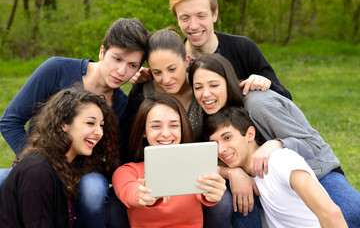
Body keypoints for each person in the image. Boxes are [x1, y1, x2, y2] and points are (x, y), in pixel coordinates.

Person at [0, 18, 151, 227]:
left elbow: (119, 159)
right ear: (102, 52)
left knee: (94, 190)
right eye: (116, 59)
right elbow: (10, 121)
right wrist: (40, 164)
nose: (122, 71)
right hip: (39, 167)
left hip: (84, 177)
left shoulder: (122, 106)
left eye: (132, 65)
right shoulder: (56, 70)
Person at [188, 53, 360, 227]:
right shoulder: (205, 115)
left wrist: (277, 143)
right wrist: (232, 172)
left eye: (214, 85)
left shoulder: (258, 105)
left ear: (229, 82)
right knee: (240, 202)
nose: (206, 94)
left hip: (316, 168)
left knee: (351, 214)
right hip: (262, 179)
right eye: (198, 87)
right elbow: (202, 160)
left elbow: (312, 145)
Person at [110, 27, 232, 228]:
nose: (165, 79)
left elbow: (228, 114)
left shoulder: (203, 86)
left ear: (186, 62)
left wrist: (226, 177)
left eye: (172, 69)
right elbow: (129, 182)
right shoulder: (142, 90)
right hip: (146, 169)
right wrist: (142, 193)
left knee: (223, 199)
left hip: (200, 167)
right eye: (157, 72)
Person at [131, 0, 291, 100]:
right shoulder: (171, 58)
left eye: (201, 16)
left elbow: (285, 98)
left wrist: (266, 84)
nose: (193, 26)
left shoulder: (243, 48)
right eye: (185, 18)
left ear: (215, 14)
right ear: (177, 20)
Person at [203, 106, 348, 228]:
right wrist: (231, 172)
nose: (220, 149)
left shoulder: (280, 161)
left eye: (227, 138)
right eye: (215, 144)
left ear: (250, 134)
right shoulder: (251, 174)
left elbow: (331, 213)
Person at [0, 86, 120, 227]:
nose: (99, 132)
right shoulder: (38, 172)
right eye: (90, 123)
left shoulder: (68, 163)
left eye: (101, 125)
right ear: (63, 124)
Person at [112, 93, 226, 228]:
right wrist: (142, 194)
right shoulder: (128, 171)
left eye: (174, 126)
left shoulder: (197, 167)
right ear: (143, 131)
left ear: (182, 129)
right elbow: (128, 191)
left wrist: (214, 193)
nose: (166, 133)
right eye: (156, 126)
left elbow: (210, 194)